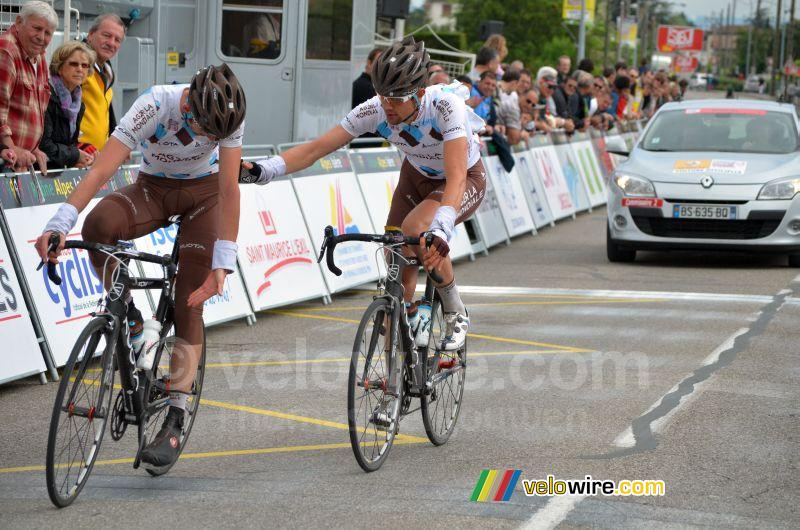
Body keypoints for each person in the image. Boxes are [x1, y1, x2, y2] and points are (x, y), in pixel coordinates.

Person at [35, 64, 246, 470]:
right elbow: (101, 169)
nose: (207, 139)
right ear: (188, 104)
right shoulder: (156, 103)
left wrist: (224, 261)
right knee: (99, 226)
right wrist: (61, 222)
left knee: (189, 300)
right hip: (152, 188)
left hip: (206, 198)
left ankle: (176, 416)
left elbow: (229, 188)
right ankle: (129, 318)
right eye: (204, 130)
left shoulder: (229, 117)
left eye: (215, 136)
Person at [243, 36, 484, 358]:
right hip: (415, 178)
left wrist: (442, 226)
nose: (387, 106)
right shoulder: (375, 109)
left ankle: (455, 309)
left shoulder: (444, 106)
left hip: (463, 179)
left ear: (420, 94)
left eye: (397, 99)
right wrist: (265, 170)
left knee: (417, 230)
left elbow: (455, 177)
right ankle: (394, 380)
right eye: (382, 96)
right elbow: (316, 149)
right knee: (397, 272)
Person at [0, 0, 57, 174]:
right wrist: (11, 148)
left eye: (48, 33)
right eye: (37, 28)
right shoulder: (6, 51)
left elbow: (33, 110)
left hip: (20, 163)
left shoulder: (38, 55)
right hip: (6, 163)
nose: (41, 37)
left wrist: (33, 148)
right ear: (18, 22)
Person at [40, 42, 96, 169]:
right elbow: (44, 145)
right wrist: (75, 156)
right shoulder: (46, 96)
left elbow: (69, 144)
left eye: (85, 65)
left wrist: (84, 152)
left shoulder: (78, 104)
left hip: (58, 172)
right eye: (74, 64)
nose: (80, 69)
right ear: (59, 68)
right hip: (38, 171)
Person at [79, 13, 125, 152]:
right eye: (106, 35)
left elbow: (106, 110)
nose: (111, 43)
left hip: (95, 155)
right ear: (91, 35)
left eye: (117, 40)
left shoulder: (107, 70)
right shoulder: (79, 63)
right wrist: (72, 149)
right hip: (78, 154)